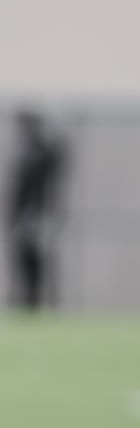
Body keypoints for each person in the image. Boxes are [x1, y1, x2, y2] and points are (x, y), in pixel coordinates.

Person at [5, 109, 66, 308]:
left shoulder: (42, 154)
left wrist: (43, 217)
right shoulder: (22, 156)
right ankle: (25, 306)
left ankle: (42, 307)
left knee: (40, 268)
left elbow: (58, 157)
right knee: (22, 267)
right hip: (22, 220)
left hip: (37, 218)